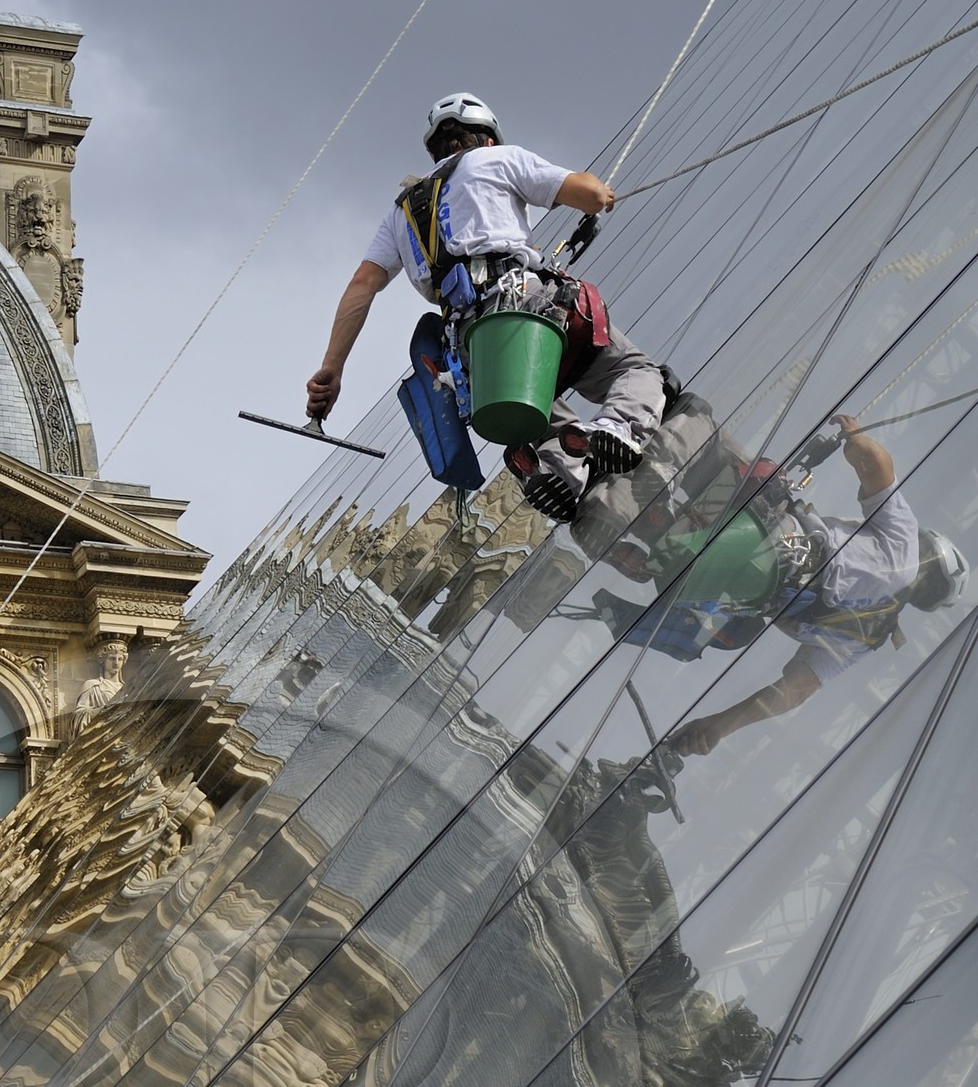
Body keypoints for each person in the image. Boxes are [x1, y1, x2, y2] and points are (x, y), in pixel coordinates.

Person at [306, 89, 668, 521]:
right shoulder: (496, 159)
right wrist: (601, 196)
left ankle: (556, 471)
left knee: (537, 411)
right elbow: (587, 194)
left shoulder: (400, 214)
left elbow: (362, 285)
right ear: (488, 138)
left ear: (436, 149)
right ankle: (617, 427)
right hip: (525, 307)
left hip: (471, 348)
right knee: (637, 371)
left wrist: (333, 368)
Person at [675, 414, 968, 757]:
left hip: (767, 531)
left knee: (696, 435)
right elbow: (794, 691)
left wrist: (856, 438)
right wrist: (720, 725)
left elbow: (874, 463)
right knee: (667, 542)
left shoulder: (905, 547)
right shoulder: (864, 638)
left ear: (930, 549)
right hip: (732, 588)